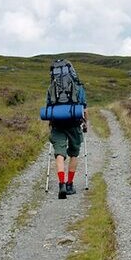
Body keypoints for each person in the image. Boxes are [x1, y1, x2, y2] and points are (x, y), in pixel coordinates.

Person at [46, 59, 87, 199]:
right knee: (74, 153)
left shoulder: (52, 87)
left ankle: (61, 184)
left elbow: (48, 106)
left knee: (59, 153)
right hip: (74, 124)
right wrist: (85, 123)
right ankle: (69, 184)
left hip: (57, 124)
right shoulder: (78, 87)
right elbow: (83, 108)